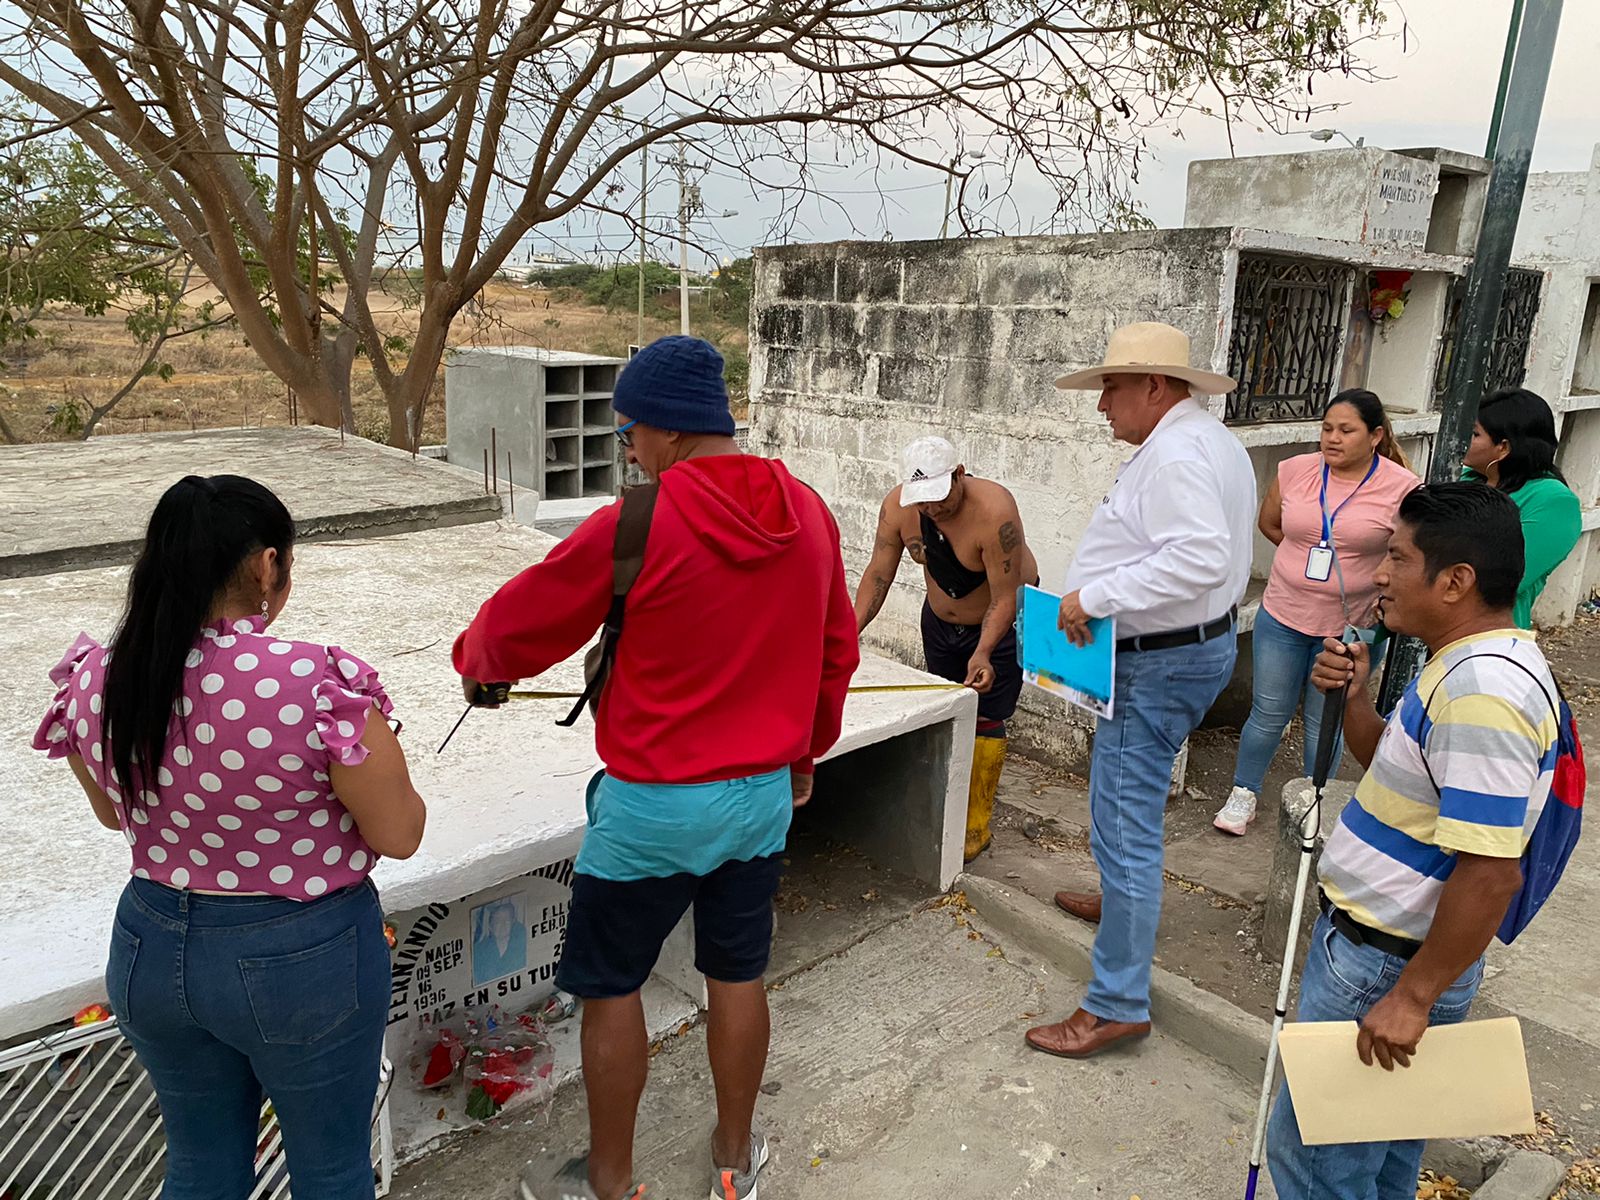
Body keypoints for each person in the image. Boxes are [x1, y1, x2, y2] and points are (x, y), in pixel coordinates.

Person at [453, 335, 859, 1200]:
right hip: (759, 798)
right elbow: (836, 652)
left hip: (652, 808)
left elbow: (515, 627)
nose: (628, 450)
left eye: (629, 432)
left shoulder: (636, 522)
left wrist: (476, 662)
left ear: (671, 431)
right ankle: (734, 1162)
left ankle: (609, 1182)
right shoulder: (808, 512)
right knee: (738, 975)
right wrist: (804, 754)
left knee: (612, 988)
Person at [32, 474, 426, 1200]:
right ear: (267, 566)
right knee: (330, 1168)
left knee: (200, 1166)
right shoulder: (316, 682)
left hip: (149, 949)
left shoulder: (95, 678)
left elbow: (115, 814)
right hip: (301, 959)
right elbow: (400, 834)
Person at [1267, 482, 1555, 1199]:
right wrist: (1355, 699)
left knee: (1318, 1164)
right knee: (1386, 1160)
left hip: (1386, 966)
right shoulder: (1460, 664)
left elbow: (1491, 872)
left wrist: (1413, 997)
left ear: (1455, 581)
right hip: (1387, 958)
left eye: (1397, 557)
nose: (1380, 574)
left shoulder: (1483, 694)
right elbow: (1398, 775)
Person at [1024, 322, 1255, 1059]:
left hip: (1159, 660)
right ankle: (1123, 904)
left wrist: (1093, 598)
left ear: (1154, 386)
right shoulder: (1204, 441)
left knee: (1125, 822)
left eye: (1111, 389)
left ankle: (1116, 1002)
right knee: (1123, 802)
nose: (1102, 406)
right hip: (1183, 647)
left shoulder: (1178, 454)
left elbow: (1200, 558)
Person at [1213, 390, 1418, 836]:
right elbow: (1271, 523)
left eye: (1346, 430)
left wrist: (1374, 589)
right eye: (1327, 428)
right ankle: (1244, 792)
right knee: (1268, 711)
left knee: (1326, 719)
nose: (1332, 438)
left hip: (1353, 628)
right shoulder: (1295, 470)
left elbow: (1406, 555)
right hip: (1283, 615)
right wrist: (1304, 565)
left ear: (1375, 436)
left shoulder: (1402, 488)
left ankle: (1314, 797)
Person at [853, 435, 1040, 859]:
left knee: (986, 713)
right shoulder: (899, 508)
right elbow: (879, 573)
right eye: (923, 501)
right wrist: (850, 632)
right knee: (945, 707)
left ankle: (975, 824)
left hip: (1002, 620)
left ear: (959, 475)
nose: (932, 509)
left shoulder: (994, 510)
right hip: (940, 620)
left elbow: (1005, 596)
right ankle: (941, 803)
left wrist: (984, 650)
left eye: (939, 497)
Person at [1462, 386, 1582, 629]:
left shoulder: (1554, 501)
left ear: (1503, 447)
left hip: (1487, 634)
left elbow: (1506, 578)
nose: (1462, 439)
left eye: (1474, 434)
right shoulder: (1466, 479)